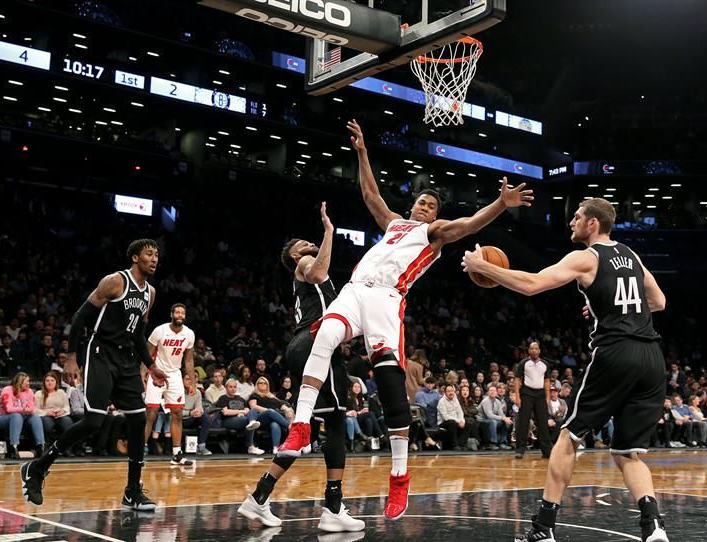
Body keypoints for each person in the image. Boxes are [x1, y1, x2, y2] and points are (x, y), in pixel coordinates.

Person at [278, 119, 533, 521]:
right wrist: (362, 152)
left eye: (431, 205)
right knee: (325, 333)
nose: (424, 207)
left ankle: (399, 476)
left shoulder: (433, 233)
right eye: (421, 202)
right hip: (356, 288)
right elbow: (369, 192)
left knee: (393, 392)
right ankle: (302, 424)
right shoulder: (395, 222)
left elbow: (467, 226)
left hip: (386, 300)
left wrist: (501, 203)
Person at [463, 198, 670, 542]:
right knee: (627, 452)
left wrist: (482, 266)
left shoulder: (586, 257)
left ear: (593, 224)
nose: (571, 222)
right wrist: (611, 306)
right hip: (651, 357)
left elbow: (531, 284)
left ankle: (543, 528)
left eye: (577, 217)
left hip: (615, 352)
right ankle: (654, 526)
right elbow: (659, 302)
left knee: (568, 438)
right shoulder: (631, 255)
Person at [239, 202, 364, 533]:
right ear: (295, 256)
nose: (308, 246)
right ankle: (332, 508)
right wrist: (328, 233)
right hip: (312, 343)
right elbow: (319, 271)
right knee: (334, 425)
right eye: (302, 246)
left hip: (310, 345)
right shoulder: (307, 264)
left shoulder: (308, 274)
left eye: (310, 243)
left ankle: (261, 496)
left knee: (311, 428)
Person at [21, 239, 165, 510]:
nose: (155, 258)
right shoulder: (115, 282)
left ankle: (132, 491)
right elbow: (80, 317)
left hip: (126, 360)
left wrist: (151, 364)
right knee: (94, 421)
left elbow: (138, 334)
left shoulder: (151, 293)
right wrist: (72, 358)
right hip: (100, 352)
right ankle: (37, 468)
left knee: (138, 422)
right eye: (149, 254)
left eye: (157, 255)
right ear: (135, 257)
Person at [142, 303, 196, 466]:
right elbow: (147, 353)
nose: (180, 315)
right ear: (171, 314)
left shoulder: (189, 334)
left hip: (174, 375)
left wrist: (192, 381)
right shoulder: (160, 330)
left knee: (177, 413)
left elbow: (188, 359)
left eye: (182, 313)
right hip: (156, 373)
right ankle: (140, 450)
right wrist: (142, 375)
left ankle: (176, 454)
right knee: (151, 413)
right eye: (177, 312)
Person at [513, 341, 553, 459]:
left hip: (540, 394)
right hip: (526, 393)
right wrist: (517, 396)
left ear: (539, 350)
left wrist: (547, 397)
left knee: (543, 423)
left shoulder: (545, 364)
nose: (534, 350)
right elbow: (517, 379)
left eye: (536, 348)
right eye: (532, 349)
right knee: (523, 422)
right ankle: (520, 449)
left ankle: (546, 451)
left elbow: (547, 381)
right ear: (529, 351)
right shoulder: (524, 363)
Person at [0, 372, 45, 458]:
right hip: (2, 418)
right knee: (16, 415)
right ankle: (14, 446)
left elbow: (32, 408)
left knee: (35, 417)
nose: (29, 383)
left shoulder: (29, 392)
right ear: (20, 382)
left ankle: (41, 446)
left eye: (29, 381)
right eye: (27, 381)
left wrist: (29, 410)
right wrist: (23, 410)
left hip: (22, 418)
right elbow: (9, 409)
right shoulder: (7, 390)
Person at [247, 377, 292, 454]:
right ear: (256, 385)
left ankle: (275, 448)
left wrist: (288, 410)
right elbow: (253, 406)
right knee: (271, 411)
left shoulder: (272, 396)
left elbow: (281, 405)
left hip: (272, 419)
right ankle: (290, 426)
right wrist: (268, 411)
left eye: (265, 383)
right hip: (260, 419)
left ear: (267, 385)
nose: (263, 385)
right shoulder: (254, 395)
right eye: (260, 383)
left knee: (275, 424)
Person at [35, 371, 73, 446]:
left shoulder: (61, 392)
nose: (50, 383)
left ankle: (66, 446)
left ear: (56, 382)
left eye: (52, 380)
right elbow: (35, 409)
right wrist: (46, 412)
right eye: (47, 381)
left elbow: (67, 406)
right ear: (44, 382)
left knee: (67, 422)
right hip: (45, 415)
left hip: (60, 415)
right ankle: (46, 445)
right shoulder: (39, 393)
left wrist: (63, 411)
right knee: (48, 424)